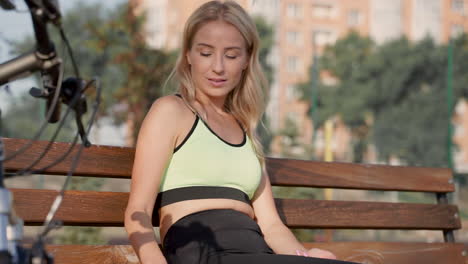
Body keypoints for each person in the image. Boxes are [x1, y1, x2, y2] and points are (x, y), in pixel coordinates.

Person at [124, 1, 360, 264]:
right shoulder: (171, 111)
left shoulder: (244, 127)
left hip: (256, 253)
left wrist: (304, 256)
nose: (218, 67)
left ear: (247, 60)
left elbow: (271, 226)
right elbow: (138, 211)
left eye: (232, 55)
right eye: (205, 53)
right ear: (188, 55)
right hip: (205, 253)